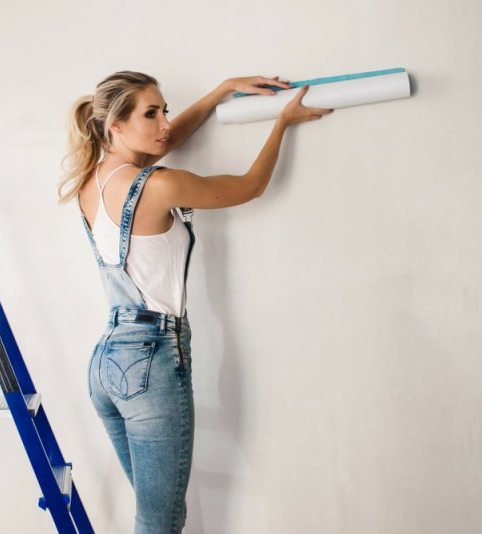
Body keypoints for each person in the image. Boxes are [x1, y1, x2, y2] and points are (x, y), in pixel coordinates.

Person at [57, 71, 332, 533]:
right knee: (160, 523)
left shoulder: (92, 181)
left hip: (108, 362)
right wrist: (282, 122)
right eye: (152, 112)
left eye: (164, 109)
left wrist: (223, 90)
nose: (165, 121)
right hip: (152, 365)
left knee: (153, 517)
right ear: (116, 127)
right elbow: (250, 186)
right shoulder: (157, 185)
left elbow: (163, 142)